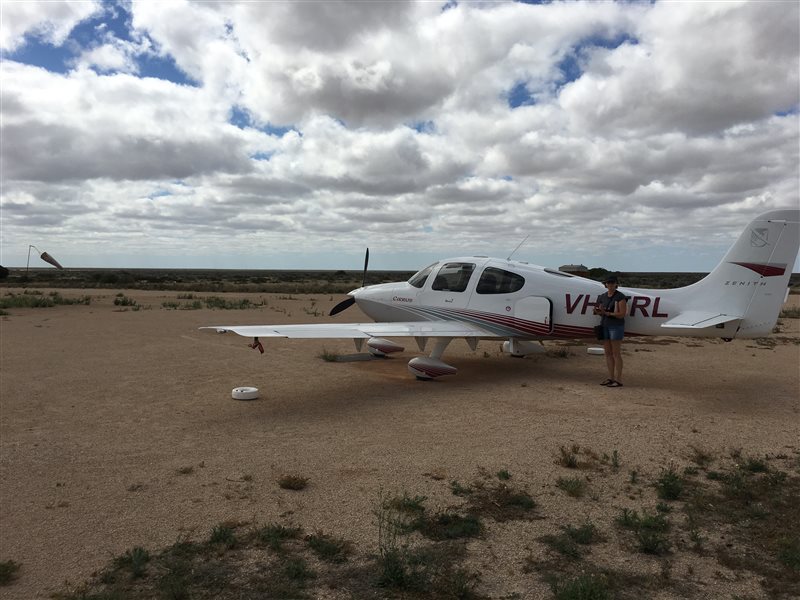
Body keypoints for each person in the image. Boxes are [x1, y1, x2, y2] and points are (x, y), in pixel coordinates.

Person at [593, 276, 628, 387]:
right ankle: (611, 377)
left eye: (612, 283)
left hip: (616, 326)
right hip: (605, 325)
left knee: (616, 353)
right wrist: (598, 311)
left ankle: (619, 379)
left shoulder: (620, 297)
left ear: (616, 284)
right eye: (608, 282)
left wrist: (607, 313)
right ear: (606, 284)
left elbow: (622, 314)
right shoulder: (602, 296)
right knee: (608, 353)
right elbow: (597, 310)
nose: (610, 284)